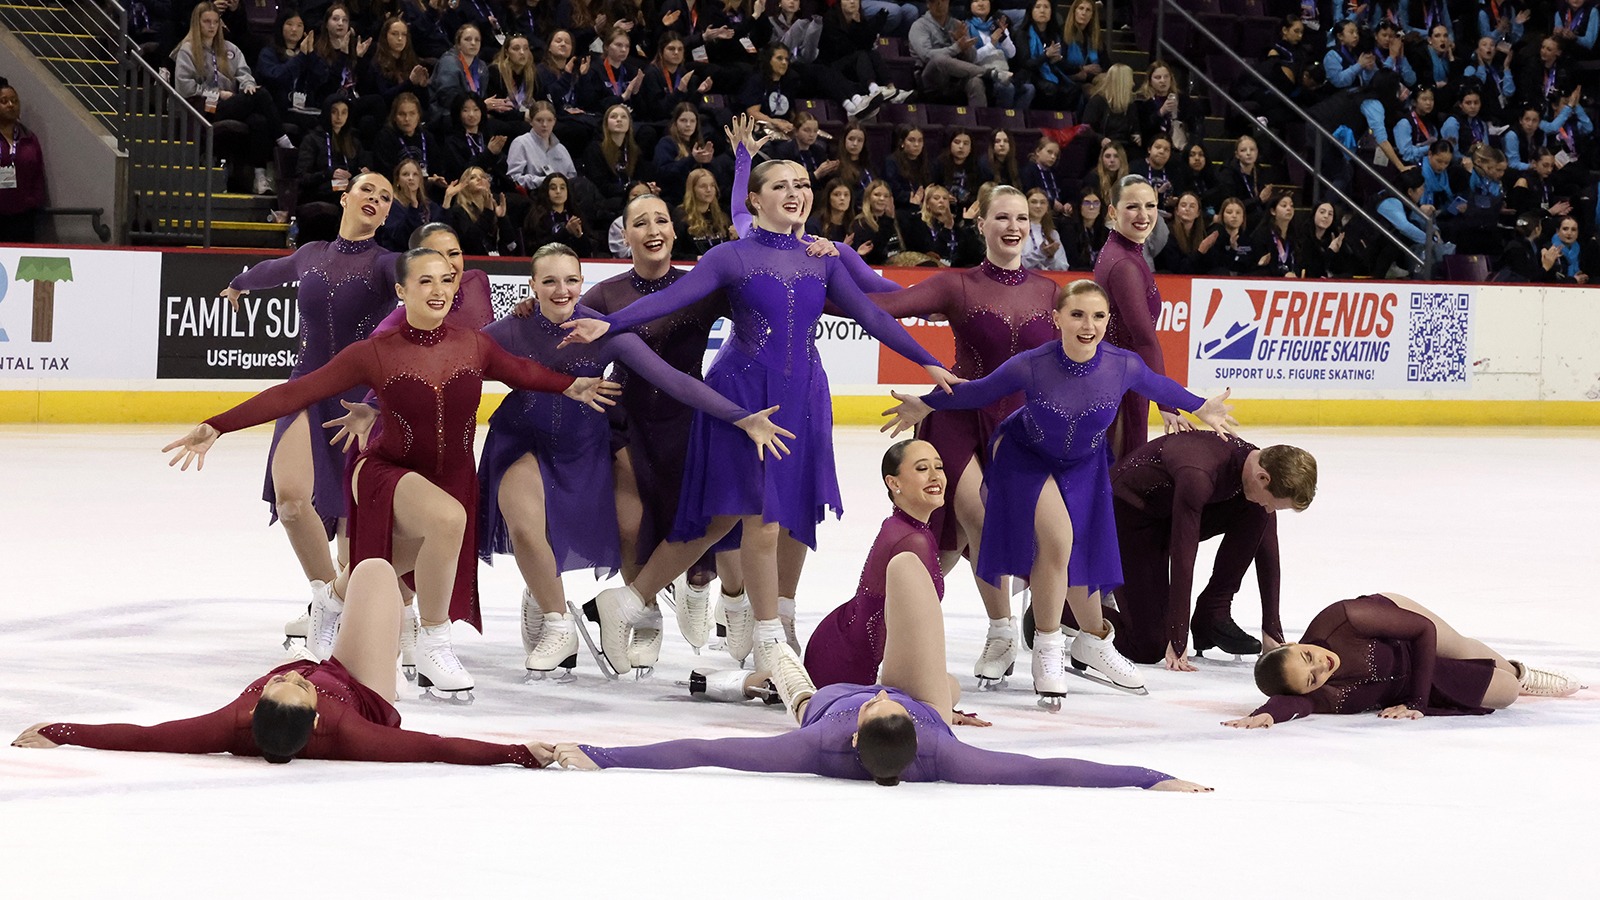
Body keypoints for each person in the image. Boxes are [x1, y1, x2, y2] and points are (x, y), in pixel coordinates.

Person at [555, 444, 1213, 793]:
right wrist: (1151, 779)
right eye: (921, 469)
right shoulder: (913, 548)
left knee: (800, 689)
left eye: (937, 466)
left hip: (834, 669)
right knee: (945, 688)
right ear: (894, 484)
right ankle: (771, 666)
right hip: (857, 651)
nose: (936, 475)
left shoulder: (820, 740)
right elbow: (1048, 771)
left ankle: (771, 672)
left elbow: (707, 754)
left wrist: (603, 755)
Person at [559, 157, 958, 680]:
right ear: (756, 199)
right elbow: (670, 299)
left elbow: (874, 315)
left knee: (729, 518)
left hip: (804, 396)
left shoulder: (824, 258)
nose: (794, 192)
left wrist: (925, 358)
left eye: (802, 183)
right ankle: (771, 640)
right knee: (762, 520)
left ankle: (629, 601)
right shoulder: (731, 256)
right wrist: (607, 323)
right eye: (780, 185)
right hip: (747, 396)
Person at [166, 247, 617, 696]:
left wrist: (570, 385)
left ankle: (334, 599)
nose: (438, 290)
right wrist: (218, 425)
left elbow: (523, 372)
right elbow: (295, 393)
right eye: (425, 281)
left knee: (395, 561)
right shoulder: (375, 353)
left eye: (445, 280)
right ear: (402, 291)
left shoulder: (475, 345)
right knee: (447, 521)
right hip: (386, 471)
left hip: (450, 477)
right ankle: (435, 647)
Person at [881, 279, 1235, 703]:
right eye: (1078, 315)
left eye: (1099, 316)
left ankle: (1094, 640)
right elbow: (978, 391)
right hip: (1025, 459)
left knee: (1082, 554)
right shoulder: (1032, 363)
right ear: (1058, 319)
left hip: (1084, 466)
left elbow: (1162, 388)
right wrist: (927, 402)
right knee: (1057, 539)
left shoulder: (1124, 365)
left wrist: (1200, 405)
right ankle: (1047, 648)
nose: (1089, 325)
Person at [479, 244, 790, 675]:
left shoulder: (603, 331)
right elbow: (453, 360)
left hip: (586, 443)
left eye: (570, 279)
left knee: (632, 525)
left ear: (581, 285)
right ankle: (556, 620)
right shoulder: (510, 329)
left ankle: (639, 612)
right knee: (528, 528)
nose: (560, 289)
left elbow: (675, 381)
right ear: (531, 285)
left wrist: (741, 418)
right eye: (548, 281)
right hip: (523, 439)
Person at [12, 559, 557, 766]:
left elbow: (148, 735)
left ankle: (338, 597)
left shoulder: (231, 722)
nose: (292, 673)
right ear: (319, 718)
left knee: (368, 571)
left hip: (338, 675)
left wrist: (63, 729)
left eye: (278, 685)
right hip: (364, 688)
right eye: (298, 687)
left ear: (254, 710)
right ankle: (402, 633)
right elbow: (437, 749)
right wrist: (517, 752)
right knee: (376, 571)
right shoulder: (352, 734)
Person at [855, 185, 1059, 685]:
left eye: (1021, 218)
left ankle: (893, 620)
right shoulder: (957, 285)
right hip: (957, 415)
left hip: (1018, 424)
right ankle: (1001, 628)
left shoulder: (1050, 292)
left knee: (952, 548)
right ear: (981, 224)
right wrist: (828, 267)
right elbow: (887, 305)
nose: (1013, 227)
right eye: (1001, 218)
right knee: (974, 514)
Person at [217, 174, 400, 647]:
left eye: (385, 198)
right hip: (304, 390)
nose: (375, 201)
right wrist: (238, 285)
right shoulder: (311, 254)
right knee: (294, 501)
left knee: (349, 525)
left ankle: (344, 609)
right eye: (368, 191)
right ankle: (326, 601)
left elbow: (434, 281)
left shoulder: (386, 265)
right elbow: (271, 270)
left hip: (358, 401)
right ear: (346, 198)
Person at [1223, 593, 1584, 728]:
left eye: (1308, 656)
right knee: (1507, 694)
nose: (1322, 666)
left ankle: (1521, 670)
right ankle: (1514, 678)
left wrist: (1417, 703)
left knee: (1458, 647)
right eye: (1312, 677)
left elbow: (1423, 630)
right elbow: (1292, 702)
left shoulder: (1342, 619)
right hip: (1403, 678)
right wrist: (1266, 714)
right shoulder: (1317, 695)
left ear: (1295, 642)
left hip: (1406, 629)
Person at [1111, 435, 1316, 671]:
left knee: (1256, 512)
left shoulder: (1258, 463)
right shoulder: (1198, 474)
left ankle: (1213, 612)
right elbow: (1183, 557)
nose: (1271, 510)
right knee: (1148, 646)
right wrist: (1178, 637)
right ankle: (1069, 611)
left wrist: (1272, 628)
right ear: (1263, 477)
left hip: (1167, 513)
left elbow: (1268, 548)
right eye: (1274, 504)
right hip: (1130, 521)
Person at [1095, 175, 1177, 461]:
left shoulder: (1125, 252)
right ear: (1112, 211)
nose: (1143, 215)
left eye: (1150, 205)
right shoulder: (1124, 264)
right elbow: (1144, 338)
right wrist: (1167, 404)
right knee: (1117, 479)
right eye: (1132, 207)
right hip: (1120, 386)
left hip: (1121, 379)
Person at [172, 1, 287, 195]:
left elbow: (244, 73)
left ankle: (259, 176)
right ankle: (284, 141)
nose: (211, 26)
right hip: (205, 108)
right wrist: (217, 94)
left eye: (215, 22)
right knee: (262, 95)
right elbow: (185, 87)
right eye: (206, 22)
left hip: (231, 104)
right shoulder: (187, 50)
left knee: (258, 119)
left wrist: (247, 85)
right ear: (197, 23)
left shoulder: (231, 49)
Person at [908, 0, 989, 109]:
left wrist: (964, 46)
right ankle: (988, 73)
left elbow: (972, 59)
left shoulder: (957, 24)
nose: (939, 5)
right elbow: (926, 55)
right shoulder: (919, 26)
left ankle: (979, 121)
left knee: (975, 81)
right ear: (928, 4)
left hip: (956, 77)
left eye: (943, 1)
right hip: (930, 78)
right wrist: (957, 47)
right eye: (935, 1)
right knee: (938, 59)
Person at [0, 81, 46, 243]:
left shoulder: (28, 138)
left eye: (14, 100)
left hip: (23, 217)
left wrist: (33, 201)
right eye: (4, 101)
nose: (11, 105)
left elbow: (38, 174)